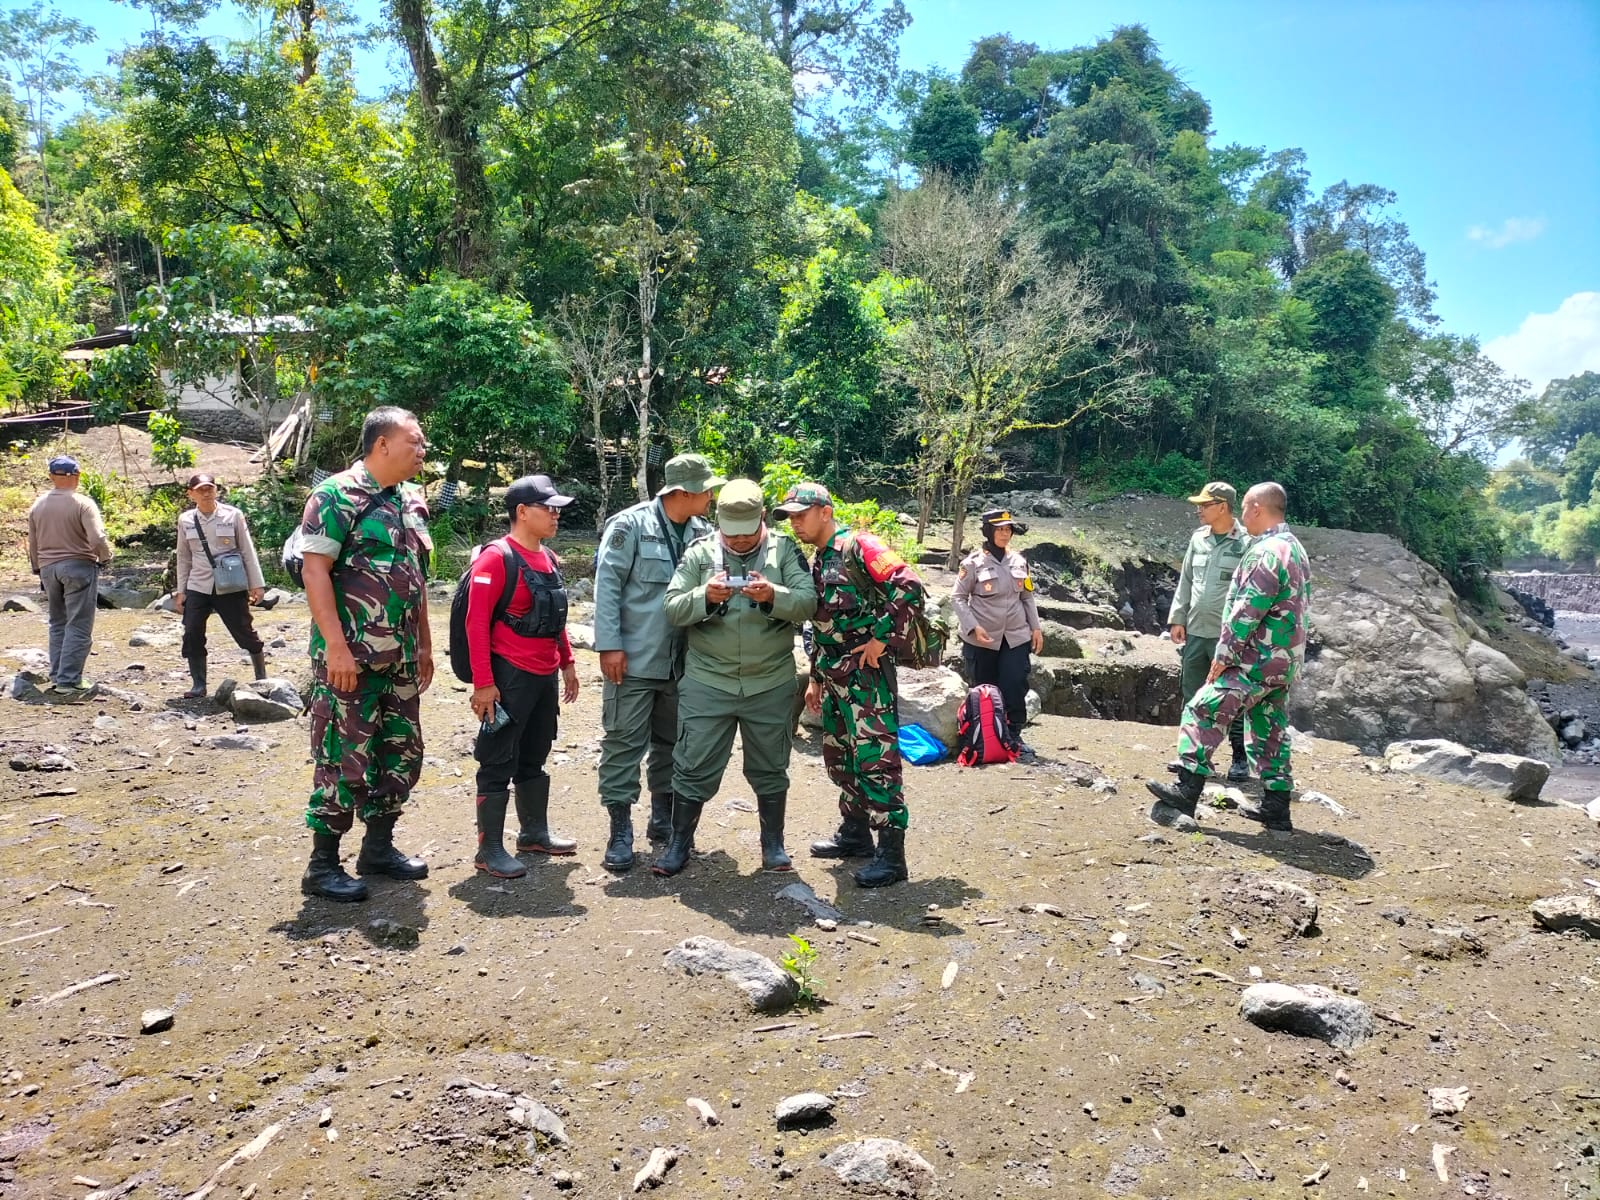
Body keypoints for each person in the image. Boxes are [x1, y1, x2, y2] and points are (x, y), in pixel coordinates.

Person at [297, 407, 436, 902]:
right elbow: (315, 572)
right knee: (342, 756)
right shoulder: (334, 496)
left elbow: (415, 579)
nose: (421, 451)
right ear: (381, 445)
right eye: (414, 443)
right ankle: (322, 864)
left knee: (400, 751)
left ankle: (378, 848)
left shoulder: (412, 501)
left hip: (399, 657)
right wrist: (335, 646)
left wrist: (422, 643)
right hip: (350, 658)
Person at [656, 479, 817, 876]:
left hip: (770, 682)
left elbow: (809, 601)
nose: (740, 542)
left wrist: (773, 596)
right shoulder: (699, 555)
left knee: (771, 765)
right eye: (731, 535)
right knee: (692, 765)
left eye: (747, 535)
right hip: (708, 682)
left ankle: (773, 846)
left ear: (762, 519)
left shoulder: (784, 551)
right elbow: (672, 608)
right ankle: (679, 844)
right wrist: (705, 597)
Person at [777, 482, 925, 888]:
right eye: (789, 517)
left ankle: (892, 856)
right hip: (835, 675)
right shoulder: (820, 558)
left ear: (825, 511)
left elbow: (909, 586)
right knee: (840, 757)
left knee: (876, 761)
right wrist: (816, 677)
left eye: (800, 515)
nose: (794, 524)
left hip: (867, 675)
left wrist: (881, 637)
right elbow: (823, 624)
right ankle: (855, 834)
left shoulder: (859, 546)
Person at [1146, 482, 1311, 833]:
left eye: (1248, 510)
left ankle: (1185, 791)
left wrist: (1224, 657)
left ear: (1254, 508)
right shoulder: (1294, 548)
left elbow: (1246, 611)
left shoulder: (1265, 552)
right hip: (1284, 661)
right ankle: (1277, 808)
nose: (1246, 516)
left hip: (1256, 658)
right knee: (1269, 728)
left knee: (1202, 708)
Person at [592, 453, 723, 871]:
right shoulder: (630, 526)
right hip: (633, 659)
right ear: (684, 492)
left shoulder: (704, 533)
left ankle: (661, 817)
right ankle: (619, 829)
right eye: (707, 489)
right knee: (623, 743)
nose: (711, 496)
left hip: (685, 663)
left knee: (673, 745)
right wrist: (609, 645)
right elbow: (607, 587)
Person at [465, 475, 581, 879]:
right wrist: (483, 683)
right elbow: (475, 624)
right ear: (521, 512)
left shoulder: (547, 558)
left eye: (556, 508)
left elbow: (556, 616)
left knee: (535, 753)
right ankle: (489, 850)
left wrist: (566, 662)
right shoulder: (496, 558)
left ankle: (534, 833)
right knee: (497, 759)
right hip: (508, 675)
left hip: (544, 674)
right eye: (547, 508)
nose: (555, 514)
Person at [1166, 482, 1251, 782]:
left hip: (1228, 637)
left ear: (1223, 507)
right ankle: (1189, 757)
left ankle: (1239, 759)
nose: (1198, 509)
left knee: (1232, 697)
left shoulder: (1247, 543)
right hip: (1196, 631)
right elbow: (1186, 579)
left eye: (1204, 504)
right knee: (1192, 695)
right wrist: (1178, 618)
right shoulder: (1198, 538)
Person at [951, 508, 1043, 755]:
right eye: (999, 529)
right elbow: (958, 598)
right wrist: (973, 626)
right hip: (983, 639)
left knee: (1014, 685)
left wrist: (1036, 628)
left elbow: (1027, 597)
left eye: (1008, 529)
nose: (1004, 534)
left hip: (1015, 636)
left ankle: (1013, 737)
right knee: (985, 690)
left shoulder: (1020, 562)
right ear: (988, 531)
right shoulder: (972, 564)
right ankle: (985, 738)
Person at [175, 472, 268, 699]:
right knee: (192, 630)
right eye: (200, 489)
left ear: (216, 490)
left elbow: (247, 550)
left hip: (230, 584)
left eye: (210, 488)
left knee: (243, 630)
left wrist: (257, 584)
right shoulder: (186, 520)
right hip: (198, 584)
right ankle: (199, 684)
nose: (206, 492)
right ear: (191, 494)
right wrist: (181, 590)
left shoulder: (233, 515)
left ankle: (262, 678)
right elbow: (184, 557)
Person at [26, 455, 112, 701]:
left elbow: (33, 542)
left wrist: (38, 569)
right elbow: (96, 538)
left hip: (48, 568)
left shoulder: (38, 505)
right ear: (76, 476)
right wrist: (105, 557)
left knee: (57, 622)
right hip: (78, 566)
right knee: (79, 624)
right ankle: (69, 681)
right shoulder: (83, 503)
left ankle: (57, 675)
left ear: (52, 477)